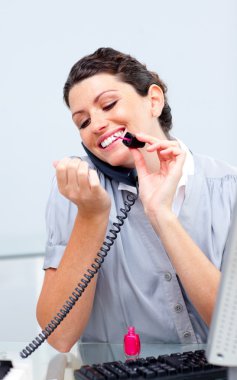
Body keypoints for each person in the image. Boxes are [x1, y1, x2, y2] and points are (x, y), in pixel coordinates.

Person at [36, 47, 237, 353]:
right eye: (83, 122)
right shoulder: (79, 190)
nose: (97, 124)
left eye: (108, 104)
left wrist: (161, 215)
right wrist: (91, 217)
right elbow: (59, 336)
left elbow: (233, 331)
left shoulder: (228, 187)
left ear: (154, 101)